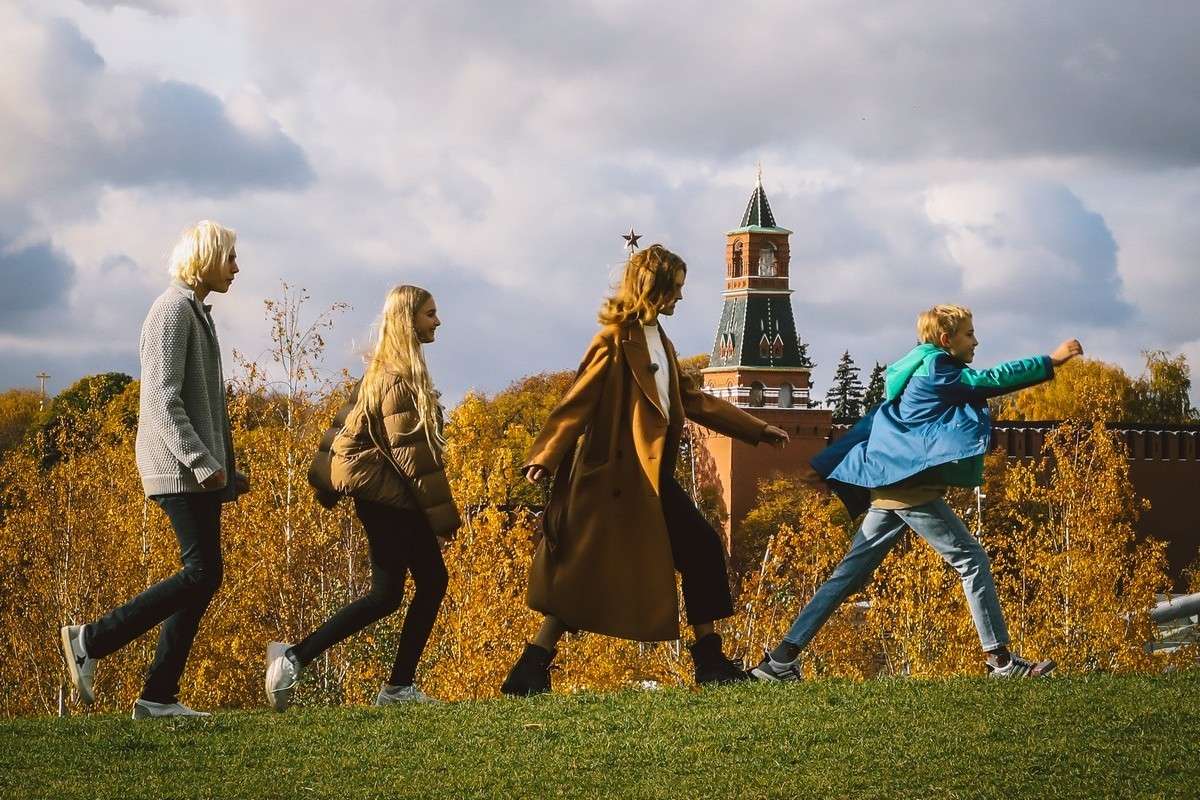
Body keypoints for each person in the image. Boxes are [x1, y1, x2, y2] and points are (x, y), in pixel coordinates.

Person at [501, 244, 790, 696]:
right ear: (653, 289)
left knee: (695, 549)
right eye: (675, 288)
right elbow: (577, 401)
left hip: (648, 480)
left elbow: (691, 399)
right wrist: (545, 455)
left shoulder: (658, 338)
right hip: (614, 479)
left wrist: (756, 428)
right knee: (592, 570)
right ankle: (532, 669)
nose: (681, 297)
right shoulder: (614, 340)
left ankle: (707, 661)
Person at [752, 304, 1083, 682]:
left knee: (846, 577)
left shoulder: (915, 369)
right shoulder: (939, 369)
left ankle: (780, 661)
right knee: (971, 558)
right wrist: (1050, 361)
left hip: (892, 485)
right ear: (946, 340)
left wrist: (827, 465)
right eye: (969, 334)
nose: (977, 341)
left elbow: (875, 423)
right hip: (909, 487)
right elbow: (989, 380)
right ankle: (1002, 661)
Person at [59, 221, 249, 719]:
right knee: (202, 571)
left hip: (197, 468)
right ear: (205, 257)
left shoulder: (196, 314)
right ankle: (90, 639)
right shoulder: (171, 310)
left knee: (205, 574)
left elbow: (203, 403)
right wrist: (202, 462)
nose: (236, 267)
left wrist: (226, 468)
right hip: (177, 467)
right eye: (229, 256)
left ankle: (158, 695)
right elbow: (161, 401)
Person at [266, 285, 460, 710]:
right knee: (423, 584)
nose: (438, 321)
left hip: (380, 493)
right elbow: (416, 460)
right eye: (431, 313)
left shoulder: (387, 371)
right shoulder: (396, 379)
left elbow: (342, 431)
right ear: (410, 320)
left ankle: (305, 661)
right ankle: (379, 682)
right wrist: (443, 521)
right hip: (386, 494)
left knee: (391, 593)